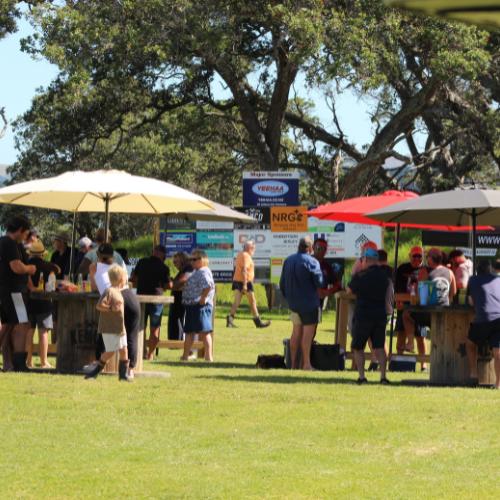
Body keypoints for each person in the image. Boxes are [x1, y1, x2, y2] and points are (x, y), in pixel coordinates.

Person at [279, 236, 326, 371]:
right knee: (307, 335)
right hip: (309, 304)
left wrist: (288, 297)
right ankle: (306, 365)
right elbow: (320, 283)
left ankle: (293, 365)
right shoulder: (312, 262)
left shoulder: (288, 261)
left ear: (299, 246)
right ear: (311, 248)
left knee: (295, 333)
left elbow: (282, 284)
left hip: (294, 304)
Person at [347, 248, 390, 385]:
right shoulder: (384, 277)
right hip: (380, 315)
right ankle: (383, 377)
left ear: (365, 259)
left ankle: (362, 377)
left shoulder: (361, 275)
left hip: (363, 315)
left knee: (359, 347)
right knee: (380, 348)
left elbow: (348, 291)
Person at [401, 247, 456, 352]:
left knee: (406, 314)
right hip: (445, 312)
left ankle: (411, 343)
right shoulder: (450, 272)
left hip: (428, 312)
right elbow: (453, 292)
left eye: (427, 257)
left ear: (430, 258)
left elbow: (417, 295)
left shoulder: (424, 272)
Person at [0, 215, 36, 372]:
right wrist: (30, 269)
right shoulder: (10, 243)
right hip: (15, 291)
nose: (24, 238)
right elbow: (17, 267)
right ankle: (20, 365)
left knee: (7, 326)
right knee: (23, 324)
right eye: (25, 234)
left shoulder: (3, 241)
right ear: (20, 230)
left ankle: (15, 362)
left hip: (5, 291)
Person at [85, 265, 133, 382]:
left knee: (124, 350)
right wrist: (111, 308)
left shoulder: (118, 291)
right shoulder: (109, 291)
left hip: (119, 328)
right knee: (111, 351)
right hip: (110, 327)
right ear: (122, 279)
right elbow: (99, 305)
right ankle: (94, 373)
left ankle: (123, 375)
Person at [131, 245, 172, 360]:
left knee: (140, 328)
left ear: (153, 252)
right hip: (156, 301)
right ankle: (150, 354)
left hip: (141, 300)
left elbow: (134, 277)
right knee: (155, 329)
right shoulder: (164, 267)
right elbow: (169, 285)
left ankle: (142, 351)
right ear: (163, 255)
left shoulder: (142, 262)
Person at [465, 259, 500, 388]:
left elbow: (471, 303)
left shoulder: (472, 280)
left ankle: (473, 376)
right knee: (498, 352)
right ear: (490, 270)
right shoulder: (498, 280)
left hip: (484, 318)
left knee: (470, 343)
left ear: (477, 271)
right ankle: (498, 384)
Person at [25, 241, 60, 368]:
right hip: (44, 301)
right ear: (42, 255)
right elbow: (58, 269)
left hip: (28, 301)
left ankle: (29, 361)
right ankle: (44, 362)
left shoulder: (26, 266)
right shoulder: (48, 266)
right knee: (43, 332)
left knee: (29, 332)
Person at [395, 246, 429, 372]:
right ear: (410, 256)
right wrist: (397, 300)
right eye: (414, 256)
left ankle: (423, 365)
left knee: (421, 336)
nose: (417, 258)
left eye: (419, 256)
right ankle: (399, 361)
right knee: (401, 334)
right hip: (402, 305)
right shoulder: (402, 268)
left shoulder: (426, 269)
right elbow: (396, 287)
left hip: (419, 307)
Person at [227, 241, 271, 329]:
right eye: (253, 249)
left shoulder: (240, 254)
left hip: (237, 280)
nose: (254, 251)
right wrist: (245, 284)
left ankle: (230, 321)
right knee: (252, 301)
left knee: (237, 301)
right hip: (245, 281)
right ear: (248, 248)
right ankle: (258, 322)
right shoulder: (247, 256)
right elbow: (244, 269)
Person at [181, 250, 215, 362]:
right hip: (192, 306)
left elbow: (208, 285)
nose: (192, 261)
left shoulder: (203, 271)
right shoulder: (198, 271)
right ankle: (185, 356)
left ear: (202, 260)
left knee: (204, 332)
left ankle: (208, 357)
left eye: (194, 259)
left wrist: (203, 298)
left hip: (200, 306)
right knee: (189, 331)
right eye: (191, 259)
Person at [49, 229, 72, 345]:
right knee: (55, 319)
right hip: (56, 291)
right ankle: (54, 345)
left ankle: (67, 344)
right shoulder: (54, 255)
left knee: (70, 319)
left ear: (62, 242)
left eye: (55, 241)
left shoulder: (74, 253)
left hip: (70, 291)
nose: (53, 242)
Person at [168, 252, 194, 341]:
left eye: (174, 262)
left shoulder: (187, 268)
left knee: (177, 319)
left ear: (180, 260)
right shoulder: (185, 269)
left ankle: (177, 340)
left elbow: (182, 279)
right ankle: (176, 340)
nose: (174, 265)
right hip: (179, 299)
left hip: (181, 300)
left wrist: (171, 281)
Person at [312, 237, 341, 309]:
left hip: (319, 303)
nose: (321, 251)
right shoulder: (305, 262)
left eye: (324, 249)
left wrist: (328, 291)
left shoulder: (328, 267)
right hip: (304, 301)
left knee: (315, 320)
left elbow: (338, 285)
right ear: (313, 248)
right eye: (318, 248)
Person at [121, 284, 141, 379]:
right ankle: (130, 369)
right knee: (132, 337)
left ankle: (98, 362)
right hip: (134, 301)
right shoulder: (129, 292)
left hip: (120, 301)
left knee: (106, 330)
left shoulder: (112, 288)